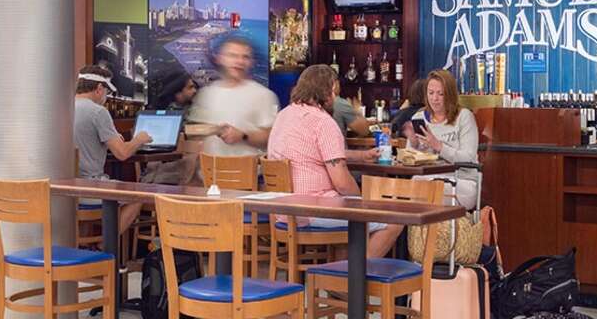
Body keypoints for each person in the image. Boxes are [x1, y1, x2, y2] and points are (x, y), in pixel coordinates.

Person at [267, 65, 403, 258]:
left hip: (282, 210)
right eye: (336, 93)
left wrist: (361, 156)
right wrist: (362, 201)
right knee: (393, 220)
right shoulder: (323, 122)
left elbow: (313, 154)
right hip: (313, 210)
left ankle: (337, 279)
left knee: (348, 211)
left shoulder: (284, 116)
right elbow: (342, 183)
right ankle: (350, 282)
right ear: (330, 90)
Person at [74, 65, 152, 235]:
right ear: (99, 89)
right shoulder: (98, 112)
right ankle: (106, 246)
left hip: (67, 188)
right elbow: (122, 153)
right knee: (140, 194)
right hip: (91, 186)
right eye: (107, 93)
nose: (107, 97)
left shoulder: (63, 107)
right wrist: (139, 139)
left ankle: (87, 247)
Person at [190, 36, 278, 157]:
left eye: (245, 57)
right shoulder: (207, 94)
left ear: (251, 62)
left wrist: (243, 135)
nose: (239, 61)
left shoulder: (263, 95)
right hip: (209, 173)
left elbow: (271, 137)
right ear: (220, 58)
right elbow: (195, 135)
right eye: (233, 56)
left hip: (245, 173)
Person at [404, 69, 479, 210]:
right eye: (431, 93)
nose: (434, 99)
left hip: (462, 181)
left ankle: (429, 231)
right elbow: (411, 159)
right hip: (428, 178)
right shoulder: (419, 118)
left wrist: (439, 146)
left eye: (440, 94)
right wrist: (413, 146)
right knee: (411, 185)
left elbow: (468, 158)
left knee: (420, 190)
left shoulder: (464, 117)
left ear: (449, 95)